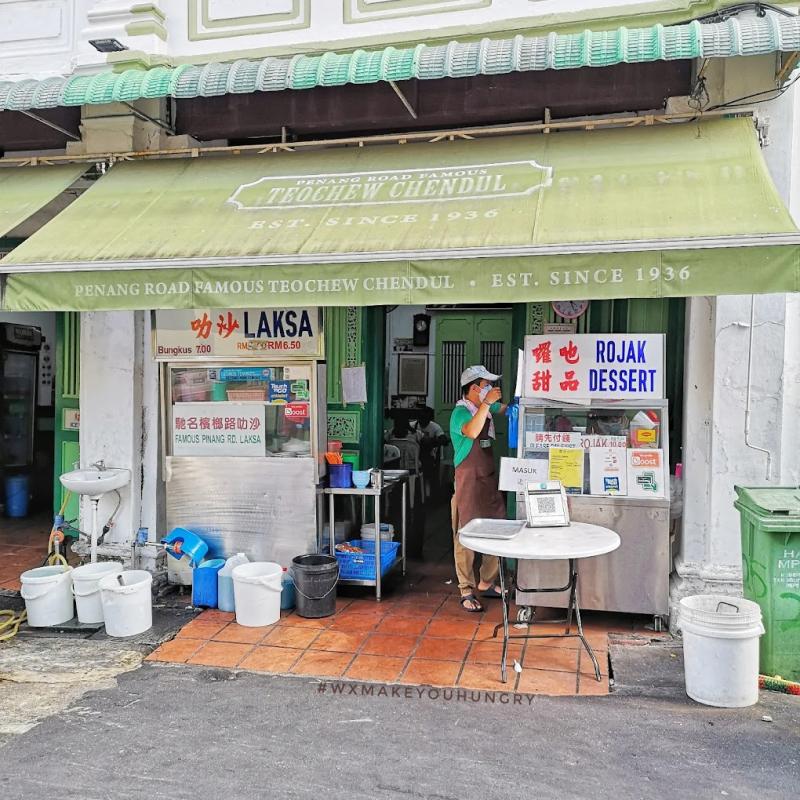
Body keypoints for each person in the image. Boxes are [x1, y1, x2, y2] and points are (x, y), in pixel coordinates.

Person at [449, 365, 507, 613]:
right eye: (486, 385)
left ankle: (487, 580)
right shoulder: (460, 413)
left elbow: (503, 409)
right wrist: (487, 403)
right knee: (466, 533)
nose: (491, 389)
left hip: (487, 478)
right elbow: (472, 431)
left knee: (497, 527)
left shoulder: (486, 407)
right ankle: (466, 589)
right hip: (468, 480)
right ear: (474, 388)